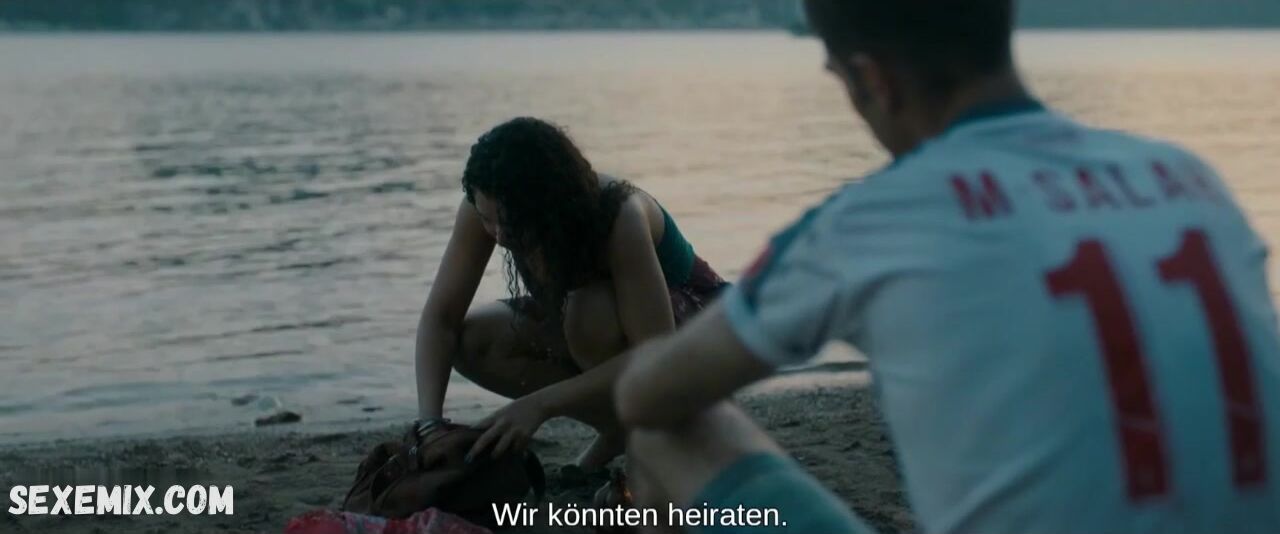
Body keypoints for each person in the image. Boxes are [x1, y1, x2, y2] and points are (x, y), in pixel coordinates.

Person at [614, 1, 1280, 533]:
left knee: (664, 434)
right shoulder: (1191, 179)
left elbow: (646, 396)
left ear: (872, 80)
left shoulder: (871, 219)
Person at [413, 117, 726, 470]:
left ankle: (649, 428)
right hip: (597, 330)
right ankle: (619, 429)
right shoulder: (486, 201)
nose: (500, 236)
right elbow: (441, 319)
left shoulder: (618, 215)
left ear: (550, 204)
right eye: (488, 220)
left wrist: (540, 405)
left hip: (692, 334)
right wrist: (429, 425)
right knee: (472, 340)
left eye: (512, 223)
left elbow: (654, 350)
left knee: (588, 313)